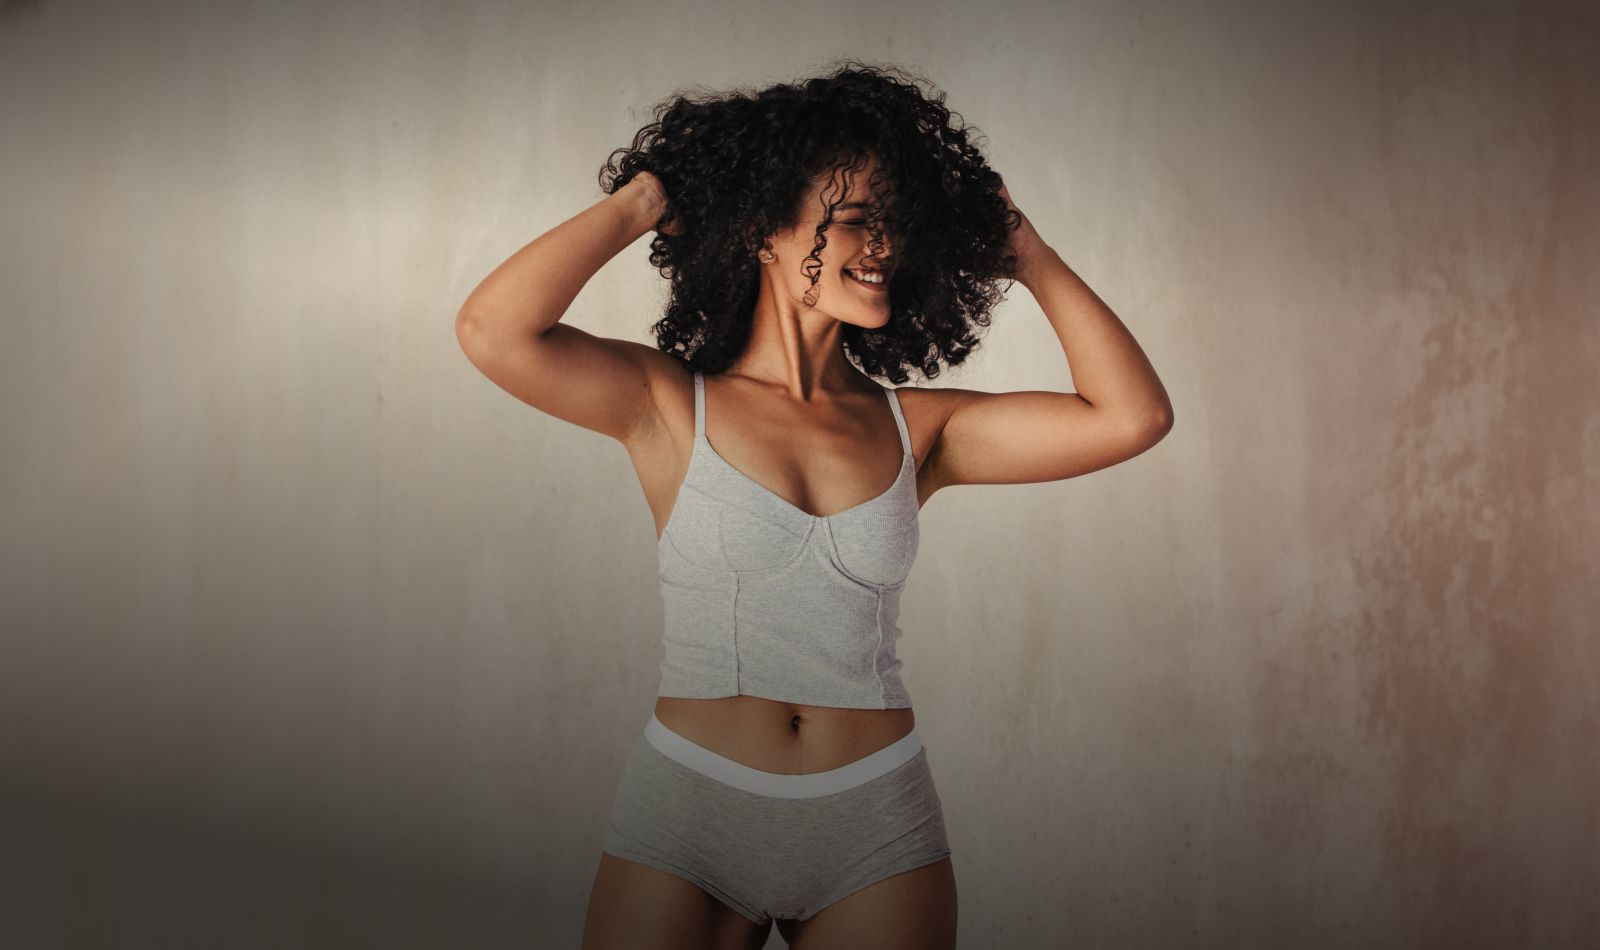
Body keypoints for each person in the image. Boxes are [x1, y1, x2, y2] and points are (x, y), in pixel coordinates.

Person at [455, 61, 1173, 950]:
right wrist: (649, 199)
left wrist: (1030, 254)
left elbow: (1133, 416)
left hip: (875, 821)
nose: (883, 245)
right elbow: (492, 329)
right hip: (690, 811)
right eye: (855, 219)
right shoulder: (669, 406)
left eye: (895, 224)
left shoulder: (920, 428)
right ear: (762, 228)